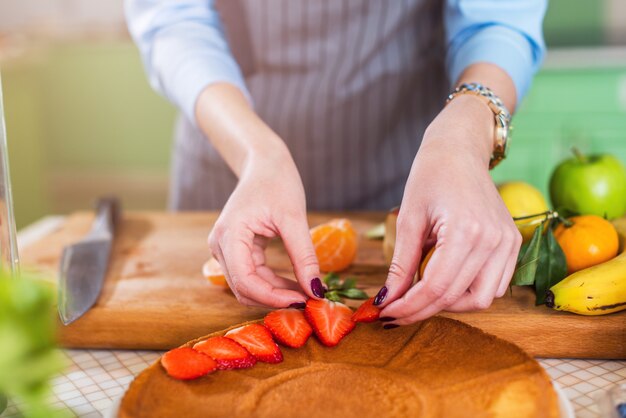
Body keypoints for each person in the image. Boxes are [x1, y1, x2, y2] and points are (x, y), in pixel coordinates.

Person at [126, 0, 546, 326]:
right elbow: (173, 20)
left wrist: (464, 134)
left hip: (408, 169)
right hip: (230, 164)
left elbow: (498, 19)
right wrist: (257, 153)